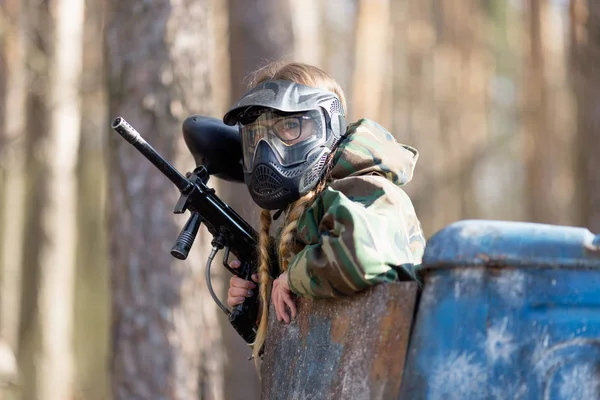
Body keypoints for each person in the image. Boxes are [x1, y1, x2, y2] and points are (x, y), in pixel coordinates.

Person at [223, 61, 426, 362]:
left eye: (289, 126)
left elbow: (359, 256)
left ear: (326, 125)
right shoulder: (304, 213)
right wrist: (259, 306)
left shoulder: (368, 190)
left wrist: (292, 277)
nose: (269, 149)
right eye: (258, 136)